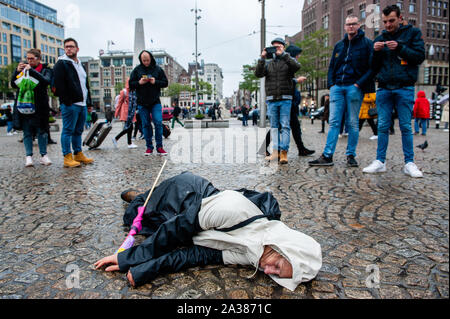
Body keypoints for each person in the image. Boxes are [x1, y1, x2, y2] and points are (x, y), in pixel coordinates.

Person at [94, 172, 322, 289]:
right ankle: (142, 195)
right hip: (184, 194)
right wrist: (127, 258)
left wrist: (150, 269)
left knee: (145, 218)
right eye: (277, 265)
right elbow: (176, 229)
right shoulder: (233, 209)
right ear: (281, 247)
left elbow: (197, 255)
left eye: (277, 275)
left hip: (187, 218)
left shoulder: (255, 254)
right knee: (134, 213)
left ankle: (145, 196)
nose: (268, 270)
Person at [363, 5, 425, 178]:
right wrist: (375, 53)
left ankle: (409, 163)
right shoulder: (380, 37)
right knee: (382, 126)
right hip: (384, 87)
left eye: (391, 20)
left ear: (400, 18)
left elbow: (419, 56)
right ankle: (380, 161)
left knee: (406, 126)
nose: (388, 25)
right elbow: (373, 66)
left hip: (404, 86)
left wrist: (399, 48)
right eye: (385, 22)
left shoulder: (412, 34)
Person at [309, 15, 373, 168]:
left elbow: (372, 68)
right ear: (345, 27)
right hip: (337, 87)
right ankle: (327, 155)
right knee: (334, 122)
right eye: (348, 24)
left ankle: (351, 155)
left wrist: (359, 84)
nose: (350, 27)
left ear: (359, 25)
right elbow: (332, 66)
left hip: (354, 87)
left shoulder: (367, 44)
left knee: (352, 123)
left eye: (353, 24)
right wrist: (331, 85)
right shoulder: (339, 45)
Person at [255, 37, 301, 165]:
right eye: (273, 47)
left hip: (285, 98)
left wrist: (284, 55)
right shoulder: (269, 63)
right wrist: (262, 58)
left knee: (285, 126)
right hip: (271, 99)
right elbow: (258, 74)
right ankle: (275, 151)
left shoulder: (288, 61)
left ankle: (284, 153)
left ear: (283, 47)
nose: (276, 50)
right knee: (274, 127)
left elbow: (297, 66)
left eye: (278, 47)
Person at [52, 38, 94, 168]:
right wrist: (67, 101)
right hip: (71, 103)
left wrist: (88, 103)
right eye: (66, 47)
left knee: (78, 131)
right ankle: (67, 156)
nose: (69, 49)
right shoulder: (62, 63)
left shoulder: (79, 64)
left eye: (71, 46)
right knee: (68, 130)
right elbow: (57, 85)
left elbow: (85, 85)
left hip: (81, 104)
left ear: (77, 49)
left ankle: (78, 153)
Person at [11, 49, 53, 167]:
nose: (28, 61)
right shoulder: (23, 70)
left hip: (40, 106)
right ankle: (28, 156)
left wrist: (32, 72)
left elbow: (46, 81)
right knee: (27, 131)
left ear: (38, 59)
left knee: (42, 131)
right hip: (25, 105)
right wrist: (16, 72)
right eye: (27, 58)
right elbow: (14, 84)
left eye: (31, 59)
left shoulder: (46, 69)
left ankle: (43, 155)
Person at [129, 50, 169, 156]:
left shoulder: (158, 69)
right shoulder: (137, 70)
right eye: (144, 60)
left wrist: (155, 81)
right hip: (142, 102)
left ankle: (159, 147)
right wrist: (139, 82)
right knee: (146, 125)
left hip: (155, 101)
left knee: (158, 123)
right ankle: (149, 147)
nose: (146, 62)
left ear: (151, 58)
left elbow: (165, 83)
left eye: (147, 60)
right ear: (141, 60)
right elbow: (131, 84)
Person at [112, 80, 138, 149]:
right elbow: (119, 103)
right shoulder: (124, 91)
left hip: (131, 112)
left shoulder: (134, 91)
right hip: (126, 112)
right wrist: (116, 113)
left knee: (129, 127)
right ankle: (116, 138)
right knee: (128, 127)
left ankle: (129, 143)